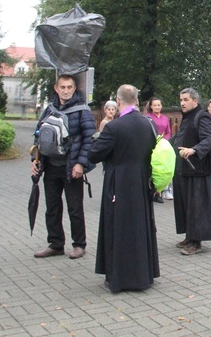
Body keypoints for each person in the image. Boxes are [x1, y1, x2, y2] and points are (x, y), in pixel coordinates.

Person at [88, 84, 159, 293]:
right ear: (136, 101)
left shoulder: (113, 127)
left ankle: (121, 277)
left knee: (119, 228)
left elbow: (94, 155)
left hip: (119, 183)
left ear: (118, 102)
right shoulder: (148, 125)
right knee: (140, 227)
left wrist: (97, 139)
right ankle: (143, 275)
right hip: (141, 181)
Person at [31, 74, 95, 260]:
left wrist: (81, 164)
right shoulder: (49, 109)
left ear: (74, 89)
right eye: (62, 87)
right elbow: (39, 135)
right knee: (52, 207)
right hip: (51, 167)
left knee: (74, 208)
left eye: (69, 87)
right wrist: (35, 160)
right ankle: (56, 244)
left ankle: (79, 245)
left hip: (72, 168)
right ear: (56, 88)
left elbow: (89, 139)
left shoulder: (82, 110)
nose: (66, 91)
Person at [172, 88, 211, 255]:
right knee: (186, 205)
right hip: (185, 169)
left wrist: (194, 150)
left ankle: (196, 242)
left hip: (197, 169)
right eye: (181, 100)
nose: (182, 103)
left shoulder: (202, 117)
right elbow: (180, 138)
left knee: (197, 207)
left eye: (185, 99)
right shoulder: (187, 118)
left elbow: (209, 139)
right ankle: (189, 236)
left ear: (195, 101)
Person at [147, 97, 172, 203]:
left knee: (162, 168)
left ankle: (159, 192)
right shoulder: (148, 118)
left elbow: (168, 131)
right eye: (155, 105)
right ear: (151, 106)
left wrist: (164, 140)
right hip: (152, 145)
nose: (157, 107)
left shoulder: (165, 118)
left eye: (159, 105)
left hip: (163, 146)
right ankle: (151, 191)